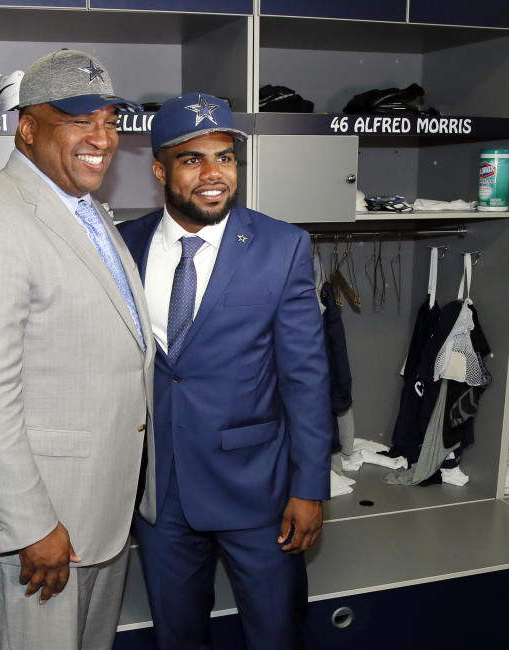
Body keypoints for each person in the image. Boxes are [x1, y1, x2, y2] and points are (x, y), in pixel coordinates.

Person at [0, 49, 155, 650]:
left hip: (97, 509)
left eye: (110, 121)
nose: (102, 138)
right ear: (27, 128)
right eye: (80, 120)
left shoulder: (84, 210)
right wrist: (33, 528)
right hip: (41, 527)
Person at [117, 92, 332, 649]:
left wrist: (310, 488)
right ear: (160, 169)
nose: (214, 174)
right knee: (177, 636)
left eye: (226, 157)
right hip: (160, 495)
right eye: (193, 160)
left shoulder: (282, 247)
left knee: (276, 634)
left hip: (258, 493)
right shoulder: (123, 245)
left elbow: (306, 377)